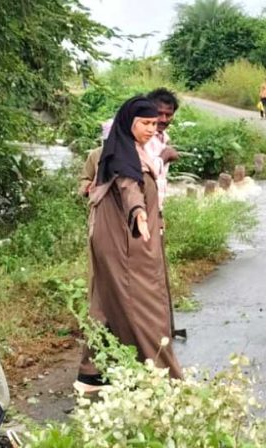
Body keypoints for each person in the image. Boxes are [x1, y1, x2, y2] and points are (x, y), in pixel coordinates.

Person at [76, 96, 183, 393]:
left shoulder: (130, 149)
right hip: (126, 239)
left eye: (155, 123)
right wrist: (139, 215)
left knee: (105, 303)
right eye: (146, 123)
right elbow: (129, 187)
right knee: (145, 304)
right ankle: (163, 377)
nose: (153, 128)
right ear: (127, 123)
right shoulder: (120, 155)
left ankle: (91, 374)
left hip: (122, 236)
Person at [144, 88, 180, 210]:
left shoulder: (163, 137)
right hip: (141, 207)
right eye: (159, 113)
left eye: (168, 115)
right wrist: (165, 156)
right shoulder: (143, 137)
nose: (164, 119)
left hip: (155, 206)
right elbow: (144, 171)